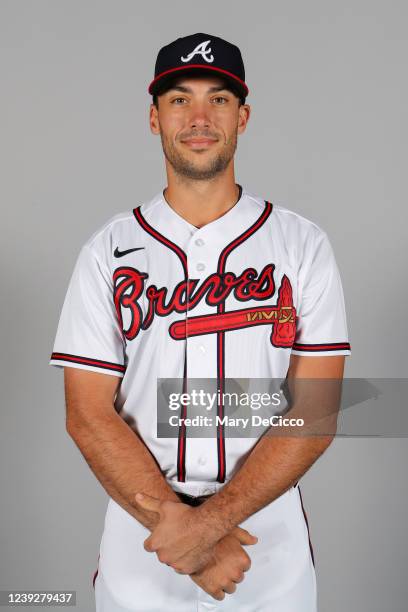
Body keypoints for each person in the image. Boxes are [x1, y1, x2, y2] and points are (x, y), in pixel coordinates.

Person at [49, 32, 351, 611]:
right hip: (142, 529)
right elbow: (87, 414)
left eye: (218, 98)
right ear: (154, 117)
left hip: (265, 533)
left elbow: (317, 408)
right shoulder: (107, 249)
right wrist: (191, 540)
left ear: (243, 116)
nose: (199, 116)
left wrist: (210, 524)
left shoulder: (301, 244)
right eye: (179, 99)